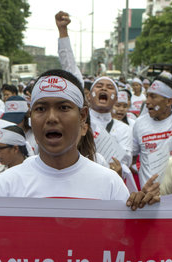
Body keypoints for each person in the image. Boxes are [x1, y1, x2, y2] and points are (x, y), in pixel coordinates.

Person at [0, 69, 129, 202]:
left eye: (63, 108)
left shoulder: (110, 185)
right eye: (41, 109)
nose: (51, 118)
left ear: (82, 116)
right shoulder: (6, 185)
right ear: (31, 117)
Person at [56, 12, 132, 168]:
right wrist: (63, 31)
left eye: (110, 87)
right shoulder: (79, 120)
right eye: (99, 86)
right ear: (88, 96)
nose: (104, 88)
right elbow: (70, 67)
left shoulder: (124, 129)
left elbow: (126, 160)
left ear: (116, 99)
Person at [132, 76, 172, 186]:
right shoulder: (139, 124)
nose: (148, 101)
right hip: (148, 199)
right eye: (147, 96)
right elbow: (132, 158)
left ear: (169, 101)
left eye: (153, 97)